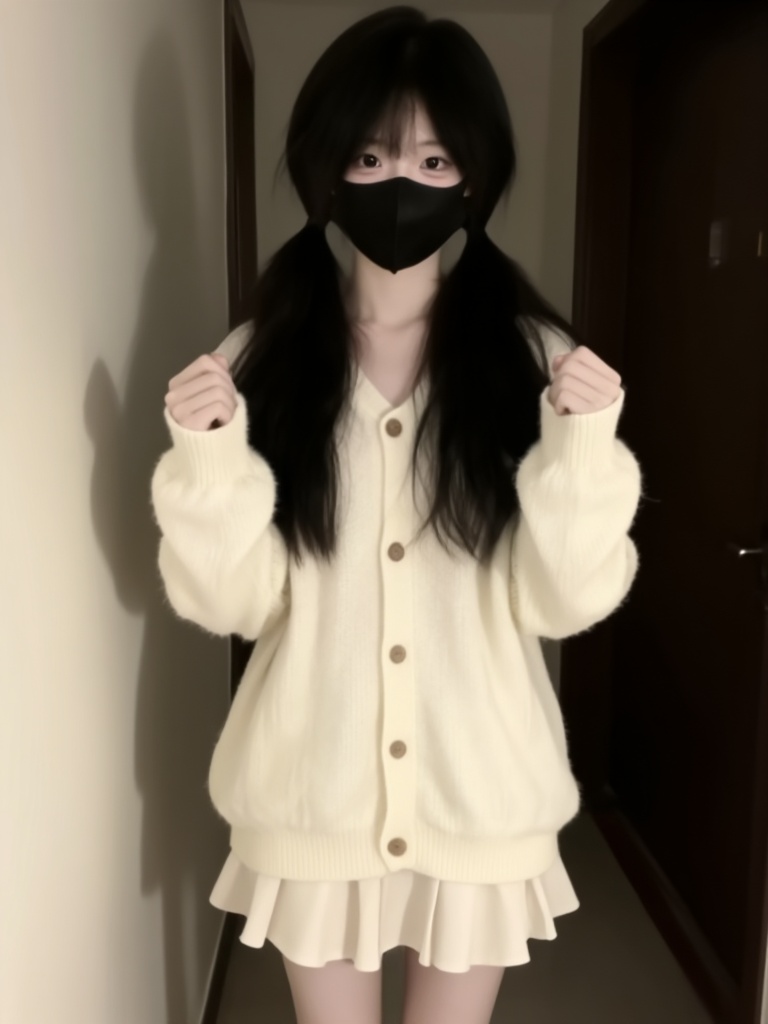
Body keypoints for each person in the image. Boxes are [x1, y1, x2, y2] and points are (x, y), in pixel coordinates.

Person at [150, 7, 642, 1023]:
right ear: (327, 170)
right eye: (371, 157)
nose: (401, 183)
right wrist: (207, 464)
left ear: (473, 177)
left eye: (433, 158)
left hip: (481, 799)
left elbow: (560, 602)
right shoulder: (258, 363)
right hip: (310, 799)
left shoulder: (537, 363)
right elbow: (239, 604)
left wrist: (583, 451)